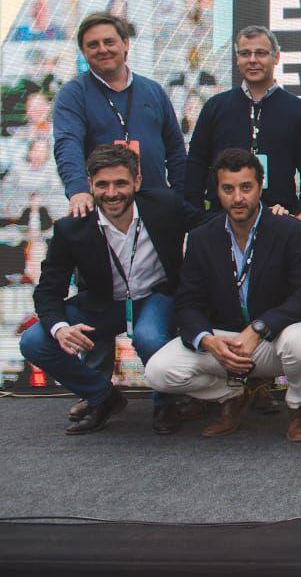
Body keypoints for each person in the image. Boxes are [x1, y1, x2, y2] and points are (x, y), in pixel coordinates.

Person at [21, 145, 203, 434]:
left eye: (120, 183)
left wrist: (266, 216)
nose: (112, 193)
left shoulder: (165, 204)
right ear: (90, 184)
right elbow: (47, 291)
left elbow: (211, 225)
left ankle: (166, 402)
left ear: (137, 182)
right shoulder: (72, 228)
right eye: (102, 184)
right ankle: (102, 397)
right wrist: (60, 328)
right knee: (33, 341)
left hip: (157, 296)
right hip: (105, 305)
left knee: (148, 336)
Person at [145, 148, 301, 441]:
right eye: (228, 189)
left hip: (272, 339)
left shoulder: (291, 231)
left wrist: (259, 328)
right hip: (224, 342)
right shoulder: (202, 237)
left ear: (260, 187)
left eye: (246, 187)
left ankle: (298, 407)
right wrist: (207, 340)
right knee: (158, 371)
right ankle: (232, 394)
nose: (238, 198)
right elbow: (188, 303)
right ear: (218, 191)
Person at [185, 26, 301, 231]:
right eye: (245, 54)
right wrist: (197, 216)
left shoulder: (299, 110)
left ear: (276, 57)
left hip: (279, 219)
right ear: (237, 59)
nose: (252, 60)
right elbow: (196, 163)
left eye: (261, 53)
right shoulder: (215, 107)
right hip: (221, 221)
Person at [53, 13, 187, 218]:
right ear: (83, 52)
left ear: (126, 44)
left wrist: (181, 199)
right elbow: (68, 145)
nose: (102, 49)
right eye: (93, 45)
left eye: (109, 42)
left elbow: (175, 149)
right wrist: (78, 190)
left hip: (156, 209)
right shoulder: (73, 94)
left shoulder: (153, 91)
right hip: (103, 209)